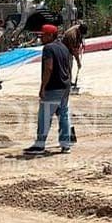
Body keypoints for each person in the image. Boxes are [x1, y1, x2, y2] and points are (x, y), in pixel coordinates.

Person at [23, 24, 73, 155]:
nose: (41, 38)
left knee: (45, 116)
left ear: (50, 35)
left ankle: (40, 145)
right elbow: (68, 66)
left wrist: (43, 87)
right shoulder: (64, 47)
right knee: (63, 115)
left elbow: (49, 68)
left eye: (43, 35)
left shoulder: (48, 48)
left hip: (53, 87)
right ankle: (66, 144)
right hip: (65, 86)